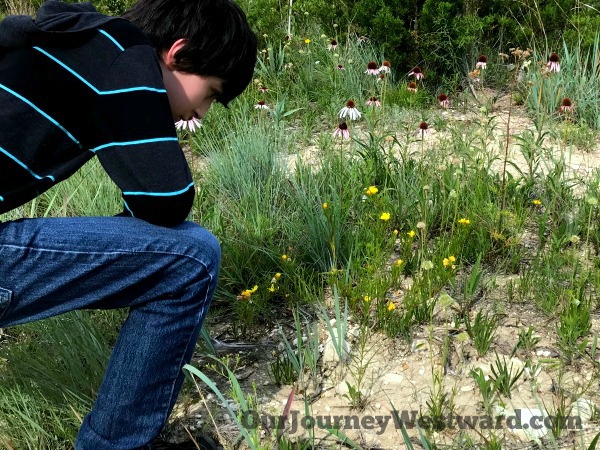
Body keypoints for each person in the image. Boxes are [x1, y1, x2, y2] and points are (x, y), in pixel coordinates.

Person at [0, 0, 257, 448]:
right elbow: (167, 200)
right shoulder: (125, 52)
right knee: (192, 258)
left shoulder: (72, 45)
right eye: (212, 93)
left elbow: (147, 200)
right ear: (177, 53)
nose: (201, 114)